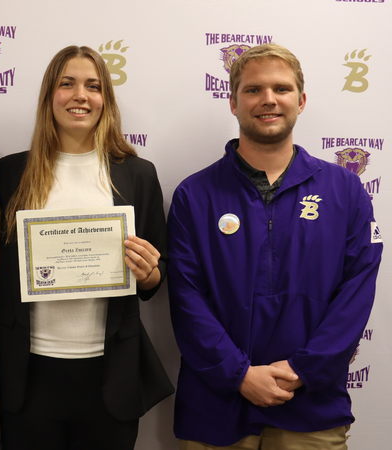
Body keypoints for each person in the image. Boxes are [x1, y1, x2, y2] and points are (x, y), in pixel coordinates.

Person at [167, 43, 382, 449]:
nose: (268, 99)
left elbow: (356, 294)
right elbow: (185, 297)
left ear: (300, 101)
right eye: (253, 90)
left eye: (281, 89)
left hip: (311, 409)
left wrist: (304, 368)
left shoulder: (345, 191)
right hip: (216, 408)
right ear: (232, 102)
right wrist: (239, 375)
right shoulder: (194, 195)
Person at [0, 45, 174, 450]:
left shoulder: (137, 174)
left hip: (110, 375)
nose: (80, 96)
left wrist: (148, 271)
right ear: (48, 96)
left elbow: (156, 280)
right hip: (29, 373)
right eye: (66, 84)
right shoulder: (12, 172)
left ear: (105, 97)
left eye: (93, 86)